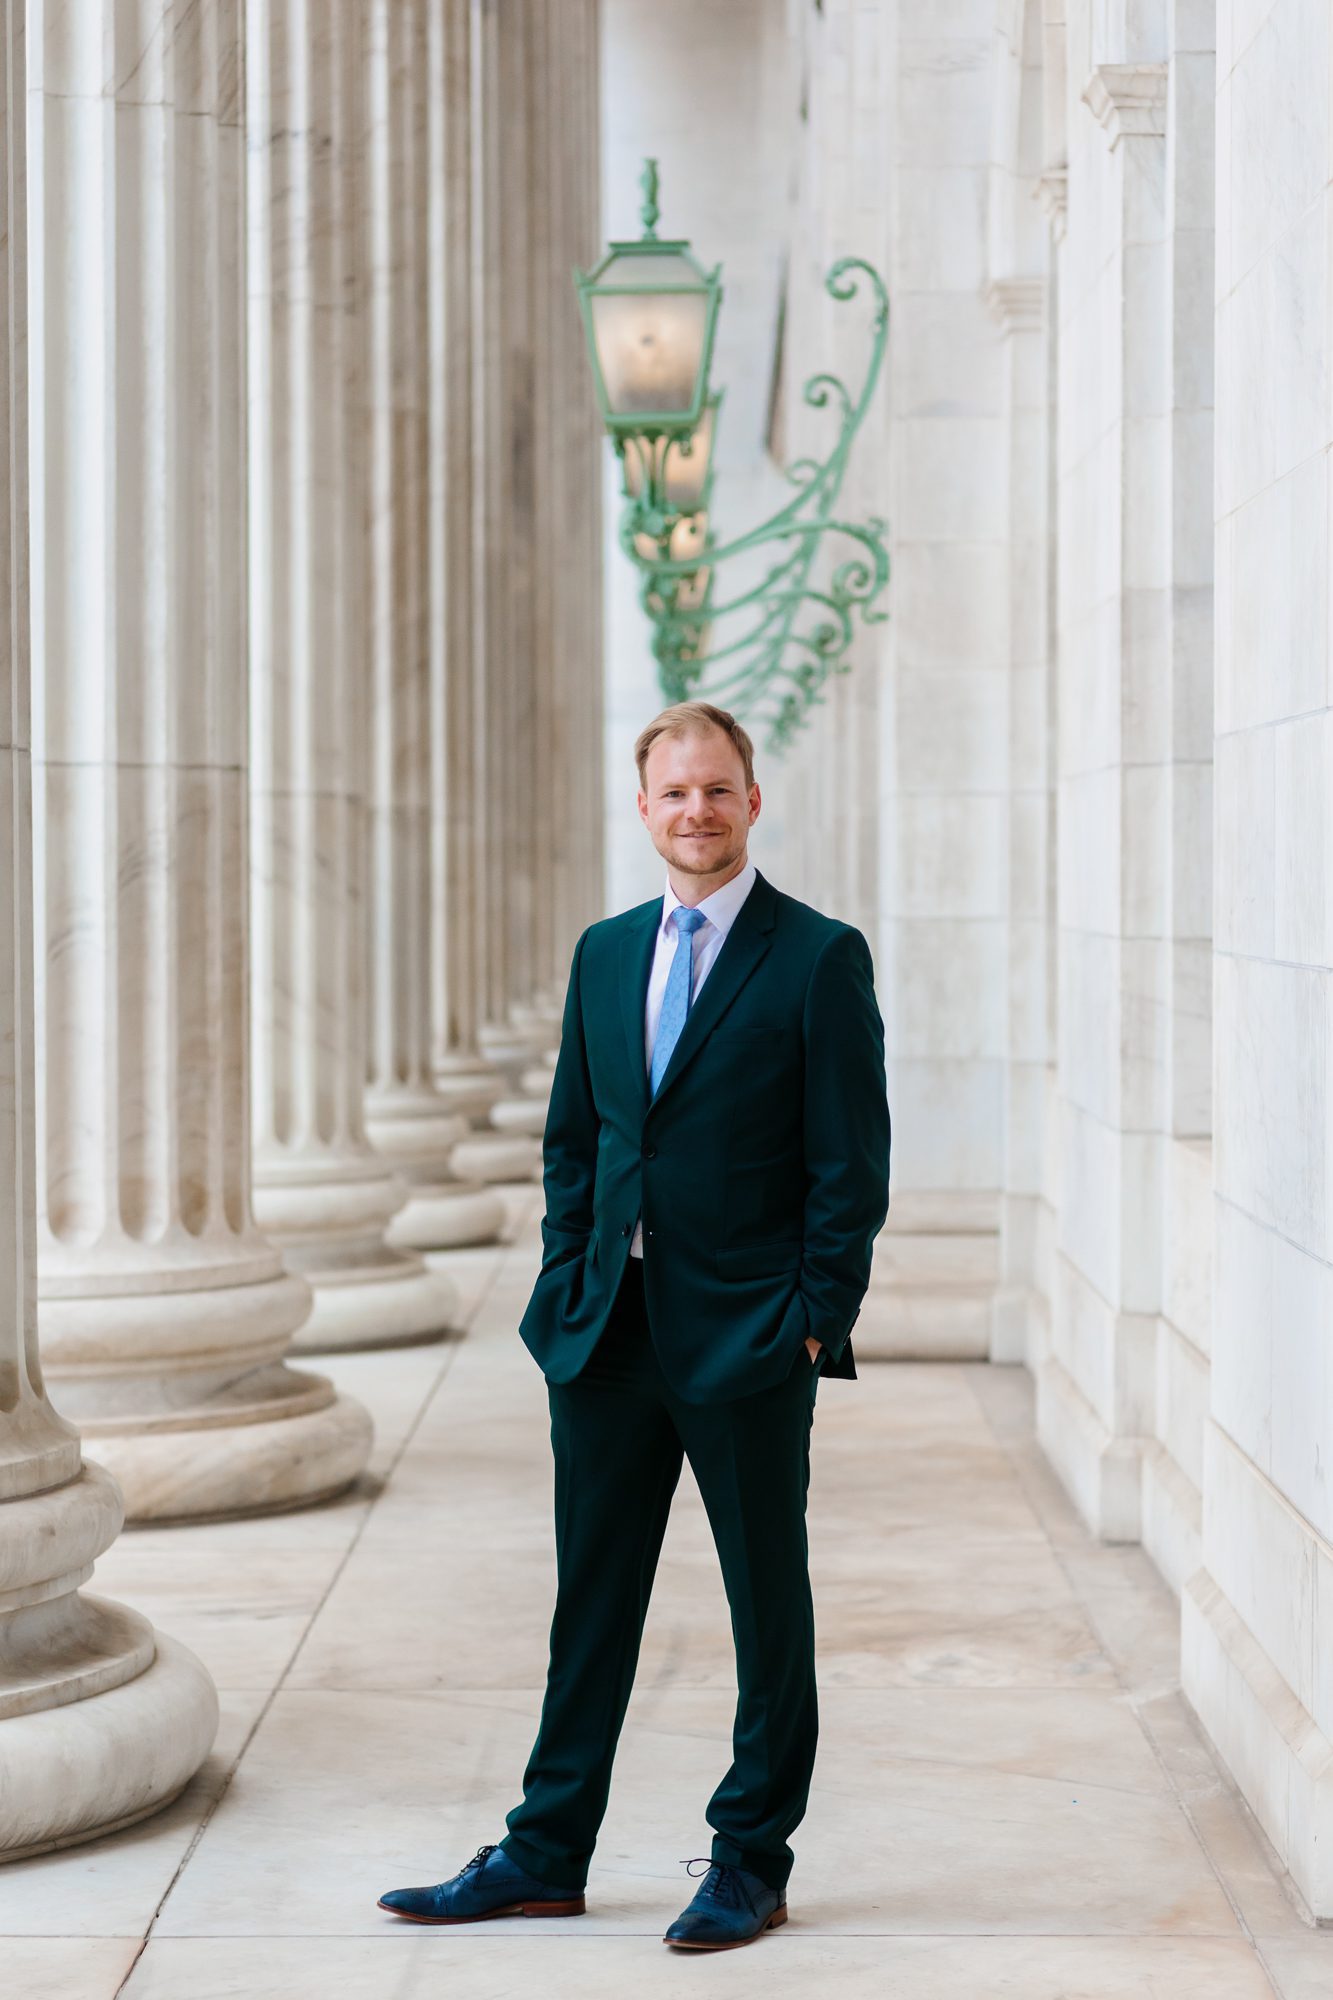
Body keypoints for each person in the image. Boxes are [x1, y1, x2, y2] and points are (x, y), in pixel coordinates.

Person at [379, 700, 891, 1950]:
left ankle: (750, 1857)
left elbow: (850, 1164)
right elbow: (577, 1136)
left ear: (752, 801)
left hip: (749, 1336)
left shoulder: (817, 957)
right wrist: (567, 1269)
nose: (695, 810)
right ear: (645, 807)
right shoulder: (605, 952)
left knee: (766, 1608)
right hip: (605, 1330)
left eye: (716, 789)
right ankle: (546, 1849)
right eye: (674, 792)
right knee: (590, 1600)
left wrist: (813, 1321)